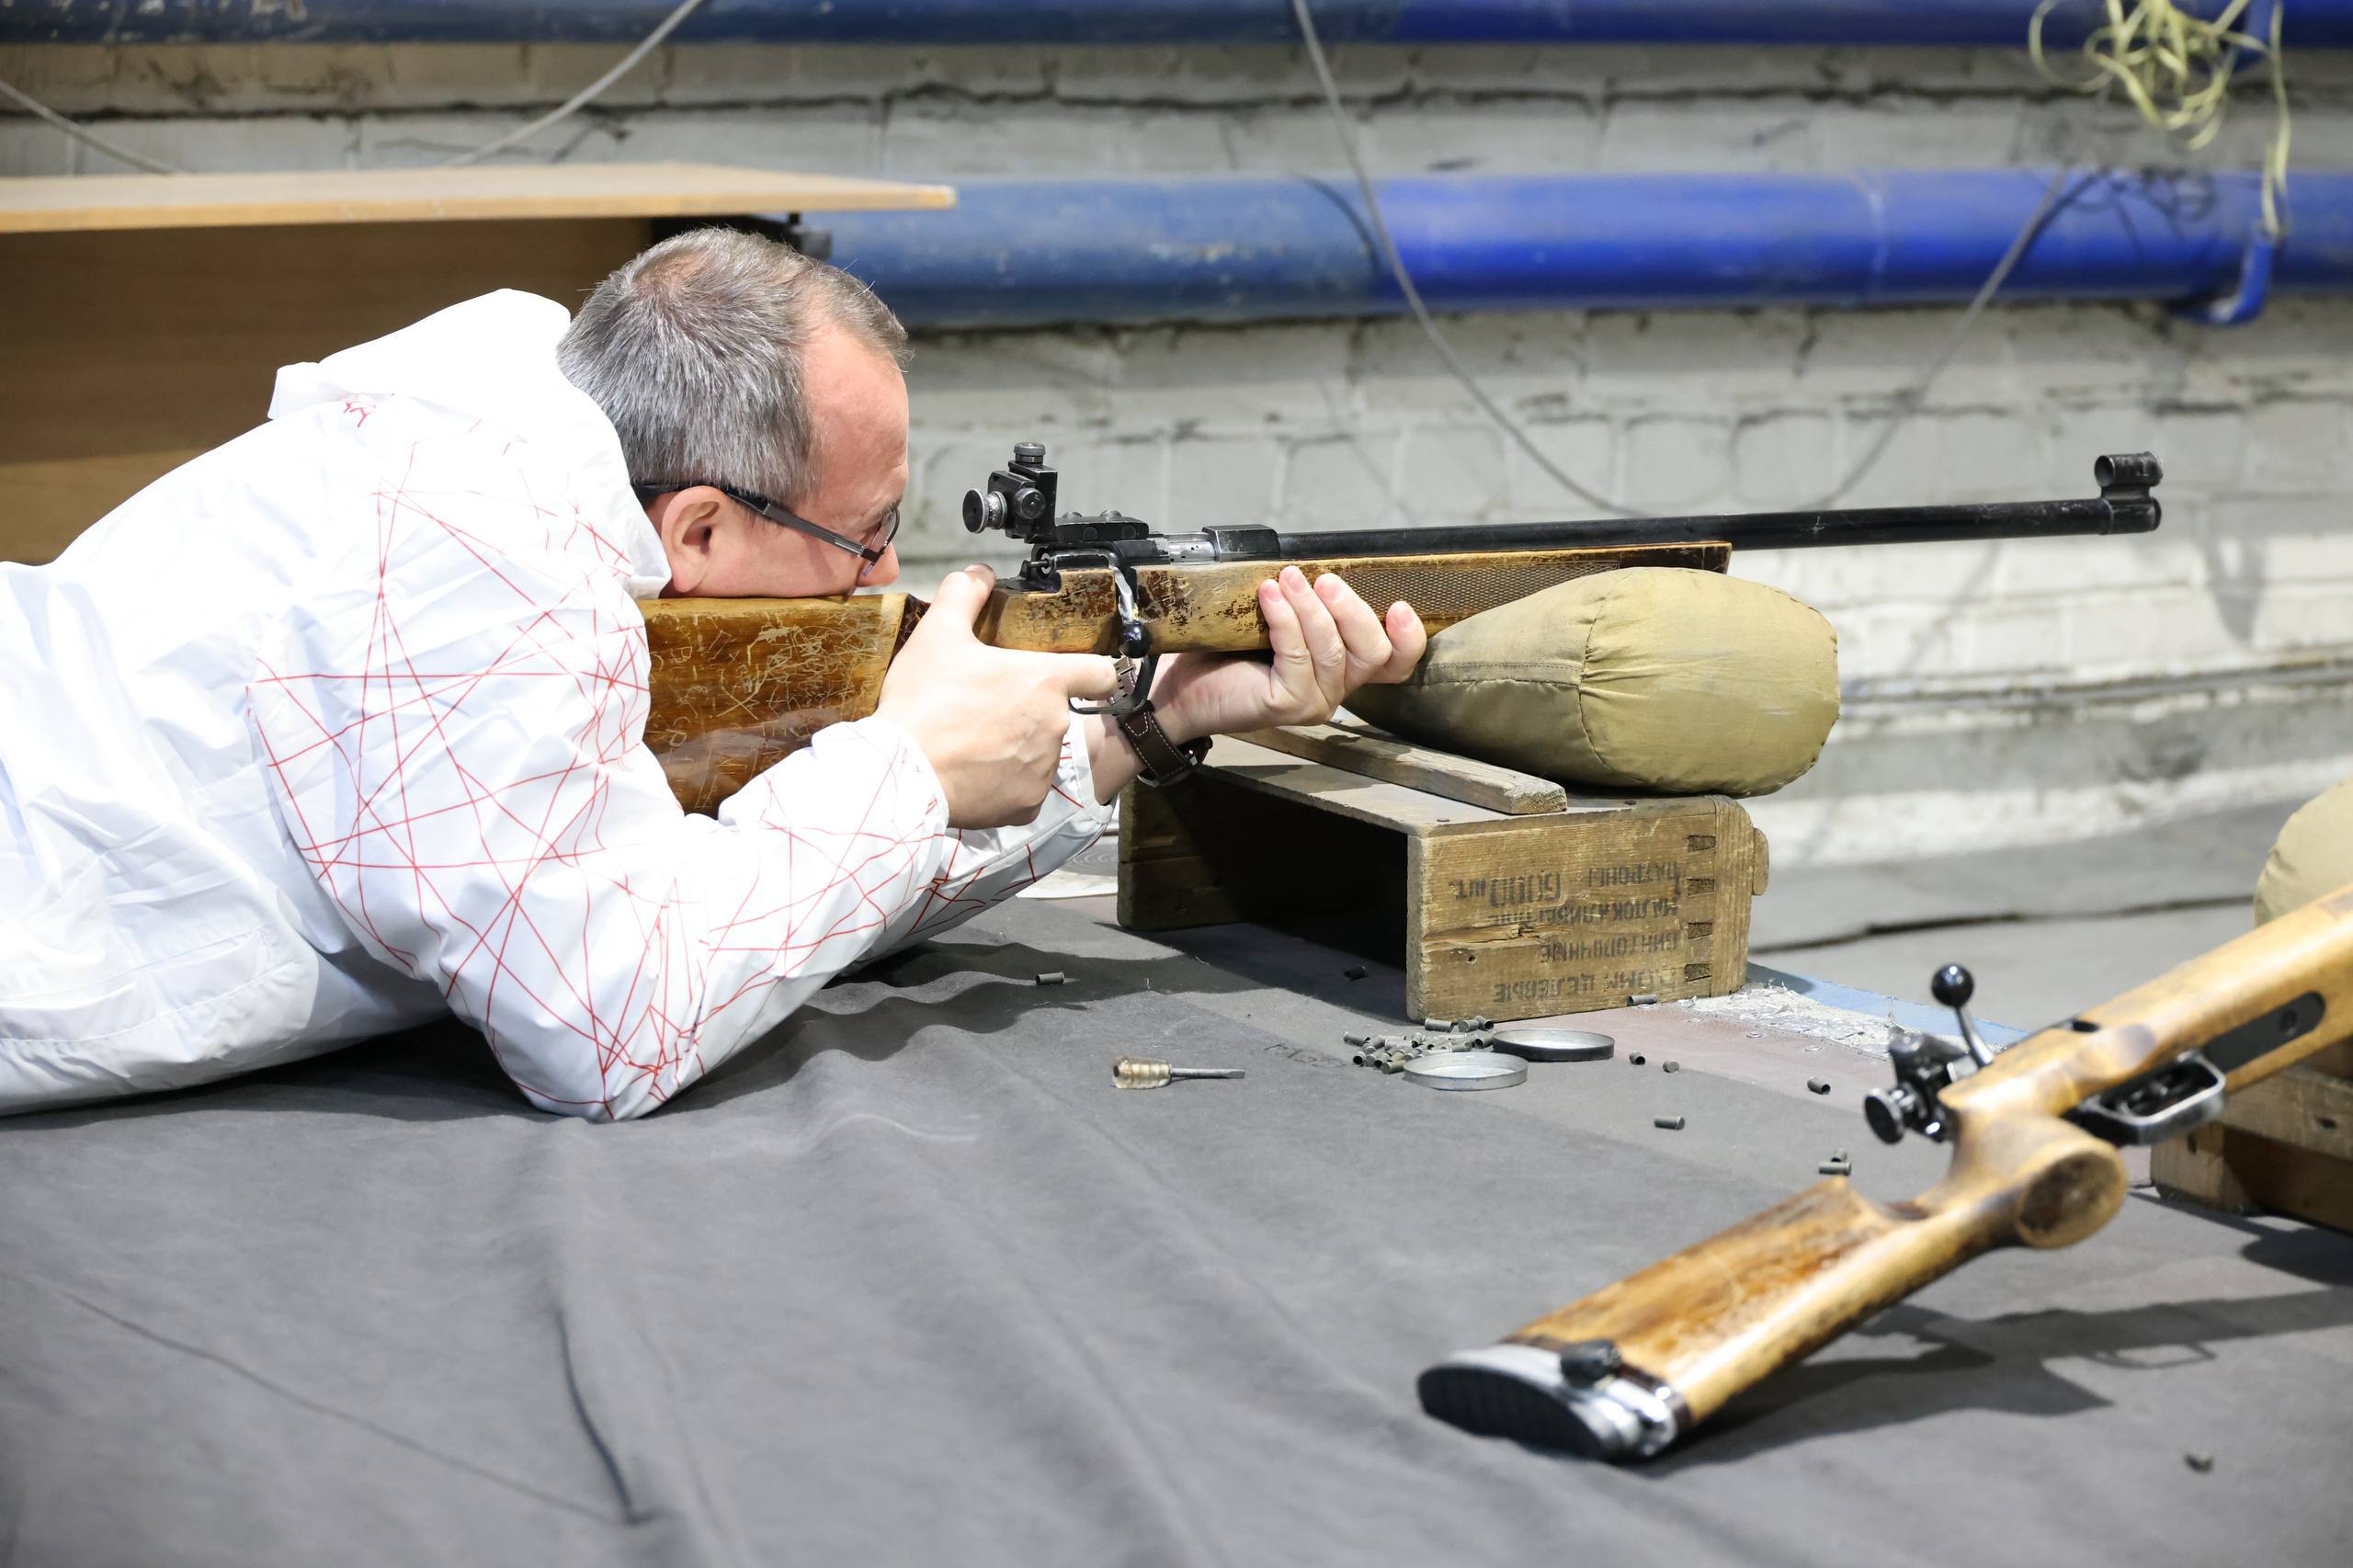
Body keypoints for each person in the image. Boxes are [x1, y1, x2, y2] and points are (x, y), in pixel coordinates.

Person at [0, 228, 1426, 1120]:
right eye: (866, 542)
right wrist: (906, 766)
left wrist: (1148, 720)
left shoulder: (560, 450)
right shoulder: (476, 560)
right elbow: (608, 1026)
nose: (884, 586)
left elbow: (728, 903)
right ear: (699, 527)